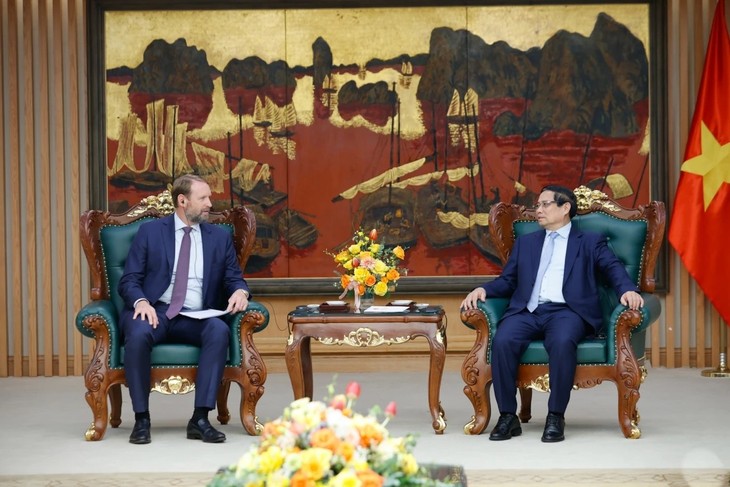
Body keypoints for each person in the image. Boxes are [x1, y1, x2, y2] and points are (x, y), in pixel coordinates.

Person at [461, 185, 643, 443]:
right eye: (537, 205)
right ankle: (507, 416)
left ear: (565, 207)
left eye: (545, 204)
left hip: (567, 311)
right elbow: (508, 280)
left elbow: (613, 268)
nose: (539, 209)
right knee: (503, 340)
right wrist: (484, 290)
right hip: (528, 311)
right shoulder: (527, 243)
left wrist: (627, 290)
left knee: (561, 341)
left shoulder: (589, 241)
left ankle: (555, 416)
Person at [118, 174, 251, 445]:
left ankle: (200, 419)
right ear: (182, 201)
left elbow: (233, 278)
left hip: (195, 315)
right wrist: (141, 302)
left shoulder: (219, 237)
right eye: (203, 198)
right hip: (155, 310)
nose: (210, 204)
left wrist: (240, 291)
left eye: (209, 197)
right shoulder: (150, 232)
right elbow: (129, 279)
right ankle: (142, 418)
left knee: (218, 331)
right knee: (138, 333)